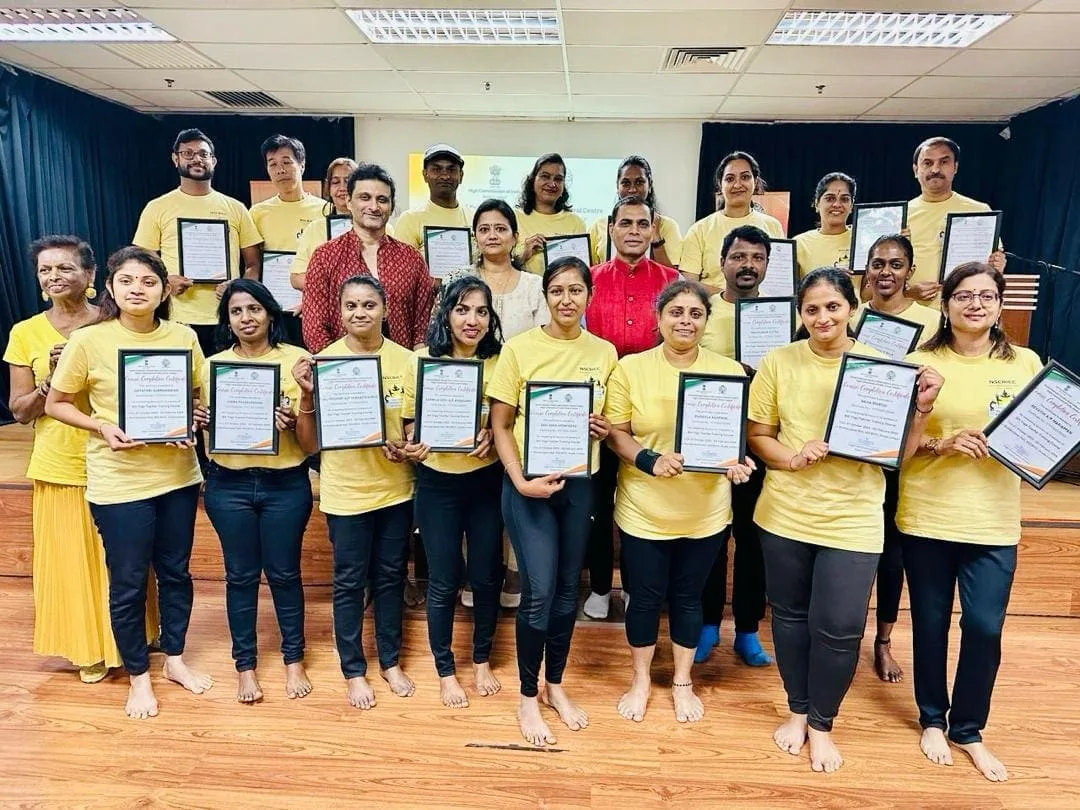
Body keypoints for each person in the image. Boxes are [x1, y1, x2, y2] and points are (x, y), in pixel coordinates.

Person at [45, 246, 213, 719]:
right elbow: (57, 403)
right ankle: (139, 677)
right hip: (118, 483)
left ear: (164, 291)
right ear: (110, 287)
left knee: (176, 573)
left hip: (178, 477)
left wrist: (193, 418)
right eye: (127, 280)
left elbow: (196, 395)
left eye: (148, 281)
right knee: (129, 581)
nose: (137, 289)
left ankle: (174, 659)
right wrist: (101, 426)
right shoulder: (88, 341)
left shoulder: (183, 336)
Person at [897, 262, 1041, 783]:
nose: (975, 304)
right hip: (928, 514)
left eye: (986, 296)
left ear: (1000, 306)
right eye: (963, 295)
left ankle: (969, 728)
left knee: (984, 626)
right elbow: (897, 451)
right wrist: (942, 441)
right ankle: (933, 720)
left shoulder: (1026, 363)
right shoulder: (918, 362)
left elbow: (1040, 438)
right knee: (930, 622)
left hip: (993, 520)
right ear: (945, 304)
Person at [747, 268, 893, 773]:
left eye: (833, 306)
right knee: (789, 618)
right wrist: (792, 458)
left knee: (841, 629)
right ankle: (797, 710)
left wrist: (918, 410)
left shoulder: (881, 367)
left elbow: (899, 451)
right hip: (785, 513)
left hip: (854, 517)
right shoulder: (779, 361)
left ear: (852, 308)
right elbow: (759, 435)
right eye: (811, 309)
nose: (823, 317)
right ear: (800, 314)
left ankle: (823, 723)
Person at [4, 236, 157, 684]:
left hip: (119, 460)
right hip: (61, 464)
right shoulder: (25, 333)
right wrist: (52, 381)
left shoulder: (115, 324)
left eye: (64, 268)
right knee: (74, 565)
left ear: (90, 276)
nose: (54, 277)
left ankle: (141, 635)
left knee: (128, 561)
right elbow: (20, 411)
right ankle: (88, 649)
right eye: (45, 270)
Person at [604, 280, 755, 724]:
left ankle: (683, 681)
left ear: (706, 321)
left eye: (695, 313)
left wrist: (737, 462)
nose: (685, 321)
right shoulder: (631, 368)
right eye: (676, 312)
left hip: (705, 512)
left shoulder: (728, 370)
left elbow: (735, 437)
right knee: (644, 599)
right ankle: (640, 679)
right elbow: (616, 433)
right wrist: (649, 460)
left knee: (689, 598)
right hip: (644, 509)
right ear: (658, 318)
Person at [488, 256, 617, 746]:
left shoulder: (604, 352)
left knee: (567, 593)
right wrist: (519, 480)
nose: (567, 299)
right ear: (545, 296)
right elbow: (501, 424)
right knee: (539, 592)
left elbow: (609, 420)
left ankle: (554, 684)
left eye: (576, 290)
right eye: (557, 290)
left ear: (589, 296)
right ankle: (526, 696)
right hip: (529, 486)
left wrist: (602, 428)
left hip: (580, 484)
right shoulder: (520, 349)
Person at [293, 276, 416, 709]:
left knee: (391, 577)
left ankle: (390, 660)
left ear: (385, 309)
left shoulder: (407, 361)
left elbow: (414, 426)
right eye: (351, 306)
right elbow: (309, 445)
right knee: (348, 582)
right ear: (340, 312)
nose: (360, 313)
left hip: (396, 490)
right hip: (345, 492)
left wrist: (408, 445)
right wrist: (307, 396)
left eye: (369, 305)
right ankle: (353, 669)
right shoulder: (322, 364)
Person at [201, 279, 312, 703]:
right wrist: (198, 417)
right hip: (228, 484)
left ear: (270, 313)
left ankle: (293, 659)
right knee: (240, 576)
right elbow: (193, 420)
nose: (246, 318)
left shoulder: (297, 360)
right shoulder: (211, 366)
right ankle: (245, 666)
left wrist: (296, 419)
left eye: (254, 309)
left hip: (286, 482)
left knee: (285, 574)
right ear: (227, 320)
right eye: (236, 311)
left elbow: (310, 439)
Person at [402, 276, 504, 708]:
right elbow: (408, 422)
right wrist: (413, 438)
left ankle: (481, 659)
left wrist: (493, 435)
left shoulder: (501, 360)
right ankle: (445, 670)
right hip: (437, 483)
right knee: (443, 580)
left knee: (485, 575)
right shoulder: (422, 359)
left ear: (491, 318)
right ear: (446, 314)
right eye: (462, 310)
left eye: (481, 311)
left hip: (486, 482)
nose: (472, 320)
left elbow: (508, 421)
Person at [580, 195, 679, 621]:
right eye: (626, 223)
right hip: (600, 412)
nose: (634, 231)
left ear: (653, 230)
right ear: (611, 228)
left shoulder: (672, 281)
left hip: (654, 411)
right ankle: (601, 586)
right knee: (599, 505)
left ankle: (640, 588)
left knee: (649, 502)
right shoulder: (589, 280)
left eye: (642, 224)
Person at [854, 234, 941, 683]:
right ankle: (842, 633)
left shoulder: (931, 321)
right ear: (866, 269)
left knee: (892, 554)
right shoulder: (850, 316)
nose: (885, 272)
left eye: (895, 264)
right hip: (854, 444)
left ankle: (883, 641)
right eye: (877, 263)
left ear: (910, 271)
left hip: (904, 448)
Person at [695, 225, 775, 667]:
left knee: (752, 538)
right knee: (711, 534)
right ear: (722, 262)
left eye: (757, 258)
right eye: (739, 256)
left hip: (761, 441)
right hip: (708, 437)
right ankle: (707, 624)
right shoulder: (703, 312)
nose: (748, 265)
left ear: (767, 265)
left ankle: (747, 629)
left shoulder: (783, 318)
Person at [133, 127, 263, 356]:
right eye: (188, 153)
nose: (197, 159)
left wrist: (239, 287)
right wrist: (165, 281)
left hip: (227, 317)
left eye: (203, 154)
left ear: (214, 160)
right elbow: (140, 265)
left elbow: (253, 263)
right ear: (176, 159)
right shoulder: (157, 207)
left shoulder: (235, 208)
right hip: (176, 317)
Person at [302, 163, 435, 352]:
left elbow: (422, 328)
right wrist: (335, 366)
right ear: (349, 202)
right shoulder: (325, 257)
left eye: (382, 199)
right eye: (365, 198)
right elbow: (315, 330)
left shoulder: (411, 259)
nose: (374, 207)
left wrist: (411, 365)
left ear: (391, 206)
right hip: (341, 366)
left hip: (401, 367)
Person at [906, 137, 1005, 302]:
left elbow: (993, 266)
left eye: (944, 162)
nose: (935, 169)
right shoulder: (900, 216)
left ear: (955, 167)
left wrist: (997, 265)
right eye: (927, 163)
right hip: (913, 310)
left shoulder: (979, 211)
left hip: (965, 308)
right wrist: (907, 293)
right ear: (916, 170)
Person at [250, 134, 327, 345]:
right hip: (273, 309)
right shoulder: (257, 213)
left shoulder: (325, 210)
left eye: (286, 162)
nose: (280, 170)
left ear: (302, 165)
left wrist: (314, 299)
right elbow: (253, 264)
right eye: (272, 164)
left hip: (315, 307)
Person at [441, 199, 548, 341]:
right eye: (484, 230)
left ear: (515, 238)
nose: (492, 236)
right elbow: (441, 335)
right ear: (475, 238)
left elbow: (543, 343)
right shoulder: (457, 279)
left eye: (500, 229)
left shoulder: (535, 286)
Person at [681, 151, 785, 295]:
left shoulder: (773, 226)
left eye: (745, 177)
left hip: (762, 307)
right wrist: (730, 297)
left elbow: (780, 280)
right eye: (730, 179)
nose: (737, 184)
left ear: (755, 182)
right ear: (720, 185)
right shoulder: (700, 229)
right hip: (713, 307)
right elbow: (689, 284)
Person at [587, 156, 682, 269]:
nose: (632, 189)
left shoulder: (668, 226)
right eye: (626, 183)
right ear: (617, 186)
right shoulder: (598, 226)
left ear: (650, 185)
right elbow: (588, 273)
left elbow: (673, 277)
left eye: (639, 182)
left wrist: (656, 238)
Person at [290, 157, 359, 291]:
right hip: (324, 301)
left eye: (348, 181)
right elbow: (296, 277)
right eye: (335, 182)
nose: (342, 188)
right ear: (329, 188)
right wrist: (330, 287)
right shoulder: (314, 229)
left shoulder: (378, 227)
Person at [514, 154, 588, 276]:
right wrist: (524, 254)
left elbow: (582, 271)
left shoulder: (576, 222)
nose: (552, 184)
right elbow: (500, 265)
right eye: (545, 177)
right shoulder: (514, 218)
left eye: (558, 179)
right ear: (532, 180)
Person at [393, 144, 473, 252]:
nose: (445, 176)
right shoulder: (410, 220)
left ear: (461, 176)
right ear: (425, 175)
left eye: (451, 169)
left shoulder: (474, 219)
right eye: (436, 169)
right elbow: (402, 261)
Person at [793, 173, 855, 278]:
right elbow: (792, 287)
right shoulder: (799, 243)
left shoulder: (862, 239)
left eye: (844, 199)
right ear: (817, 204)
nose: (837, 205)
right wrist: (828, 277)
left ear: (851, 206)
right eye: (830, 199)